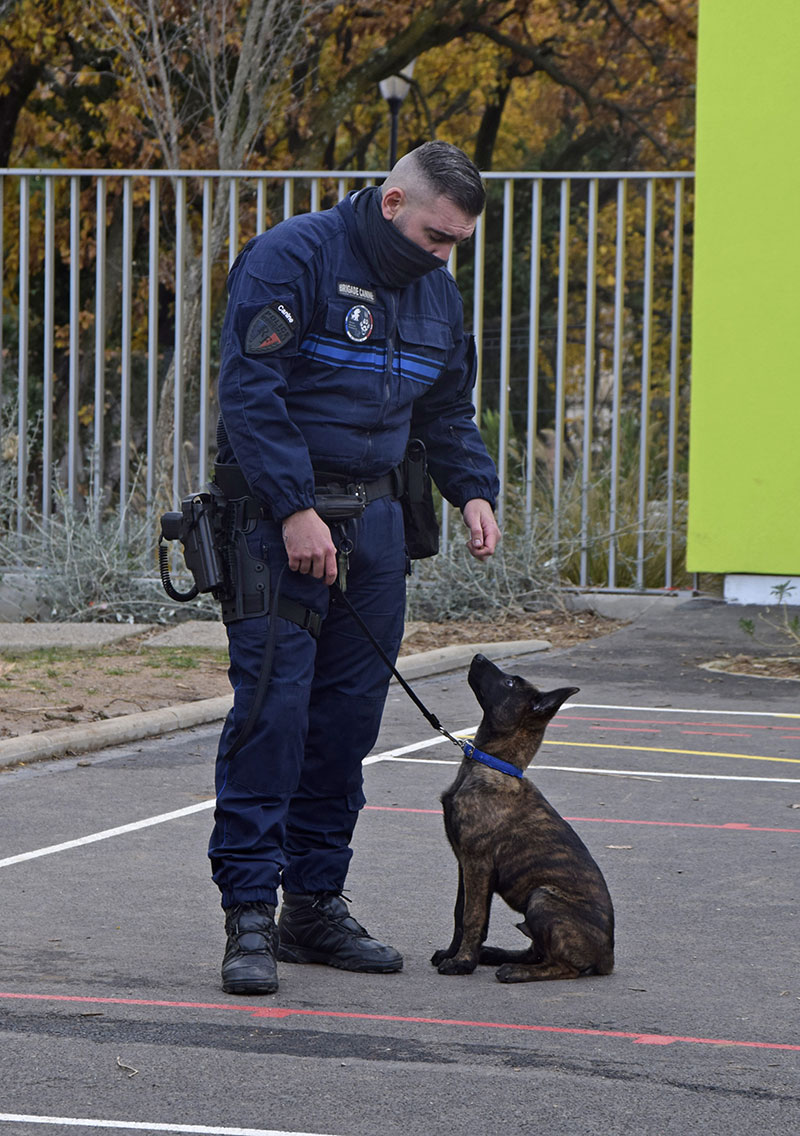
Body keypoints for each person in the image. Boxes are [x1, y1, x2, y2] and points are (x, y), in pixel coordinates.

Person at [210, 140, 501, 996]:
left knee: (345, 729)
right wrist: (296, 506)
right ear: (389, 204)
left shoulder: (436, 293)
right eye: (434, 235)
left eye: (455, 243)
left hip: (375, 528)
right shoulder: (290, 258)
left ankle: (315, 907)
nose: (443, 255)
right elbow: (249, 393)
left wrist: (472, 490)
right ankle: (250, 918)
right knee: (273, 717)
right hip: (279, 522)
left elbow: (447, 406)